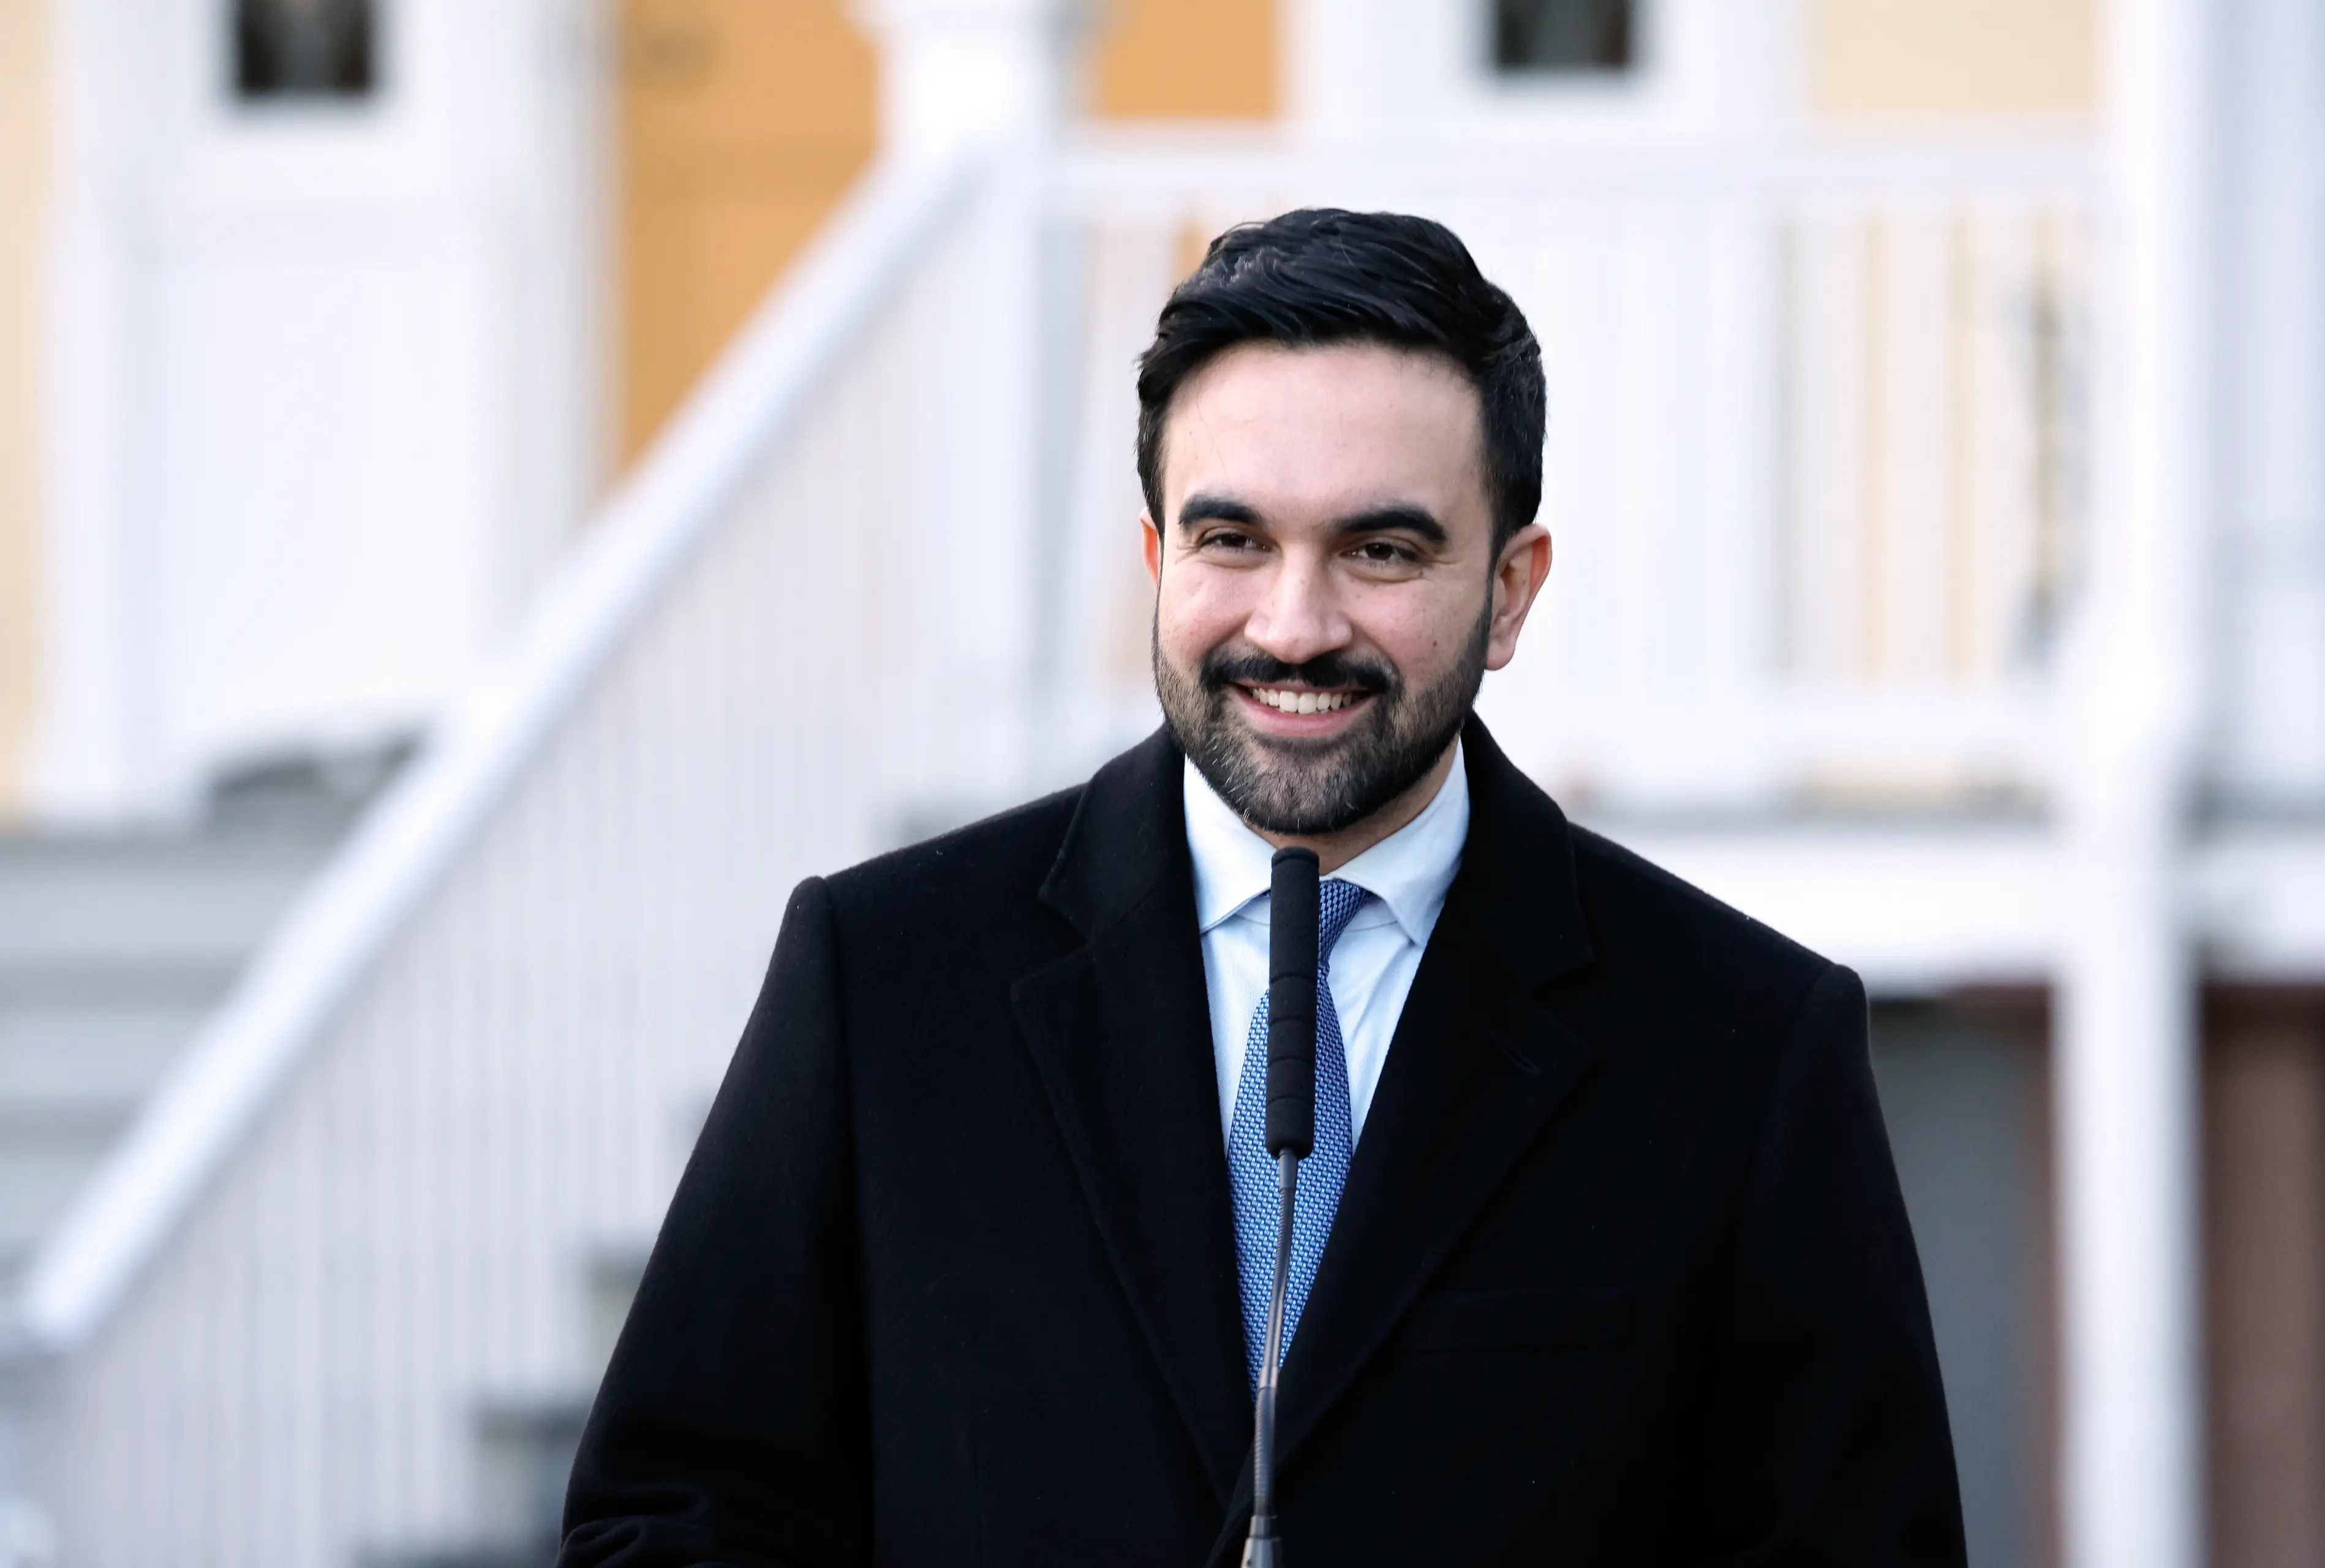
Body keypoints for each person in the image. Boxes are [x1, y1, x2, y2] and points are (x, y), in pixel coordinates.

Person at [558, 208, 1965, 1566]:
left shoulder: (1748, 1040)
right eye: (1234, 540)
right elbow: (671, 1518)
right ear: (1159, 556)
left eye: (1383, 549)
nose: (1294, 624)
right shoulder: (881, 977)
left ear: (1513, 590)